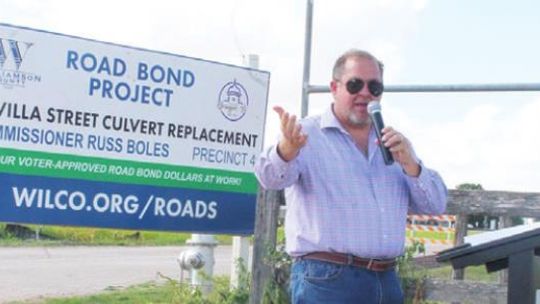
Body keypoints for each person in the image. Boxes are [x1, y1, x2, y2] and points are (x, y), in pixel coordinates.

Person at [254, 49, 447, 303]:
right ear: (334, 87)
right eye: (355, 84)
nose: (365, 93)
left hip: (386, 280)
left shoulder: (393, 145)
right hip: (327, 282)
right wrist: (286, 151)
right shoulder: (306, 135)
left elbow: (434, 205)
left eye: (375, 86)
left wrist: (412, 166)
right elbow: (268, 178)